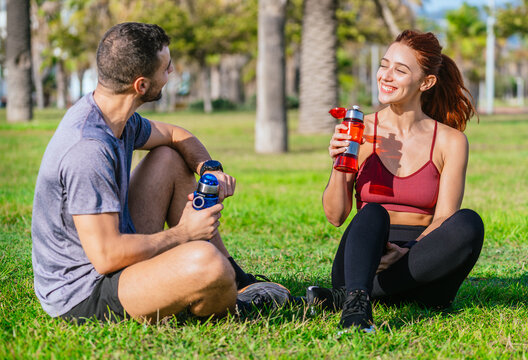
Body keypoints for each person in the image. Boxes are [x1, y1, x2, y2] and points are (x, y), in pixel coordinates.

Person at [31, 22, 287, 324]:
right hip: (84, 292)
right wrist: (184, 234)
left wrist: (209, 169)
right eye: (166, 68)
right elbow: (107, 257)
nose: (172, 72)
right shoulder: (87, 149)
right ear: (141, 85)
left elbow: (176, 135)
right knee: (208, 265)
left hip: (113, 257)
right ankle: (236, 303)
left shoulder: (114, 117)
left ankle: (238, 280)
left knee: (169, 157)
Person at [306, 30, 484, 333]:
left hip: (424, 259)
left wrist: (409, 251)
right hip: (365, 258)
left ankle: (344, 297)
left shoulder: (450, 141)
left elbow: (443, 217)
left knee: (469, 223)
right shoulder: (358, 129)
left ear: (426, 82)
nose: (386, 76)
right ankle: (356, 308)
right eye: (384, 64)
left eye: (400, 70)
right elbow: (336, 216)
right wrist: (339, 163)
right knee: (373, 211)